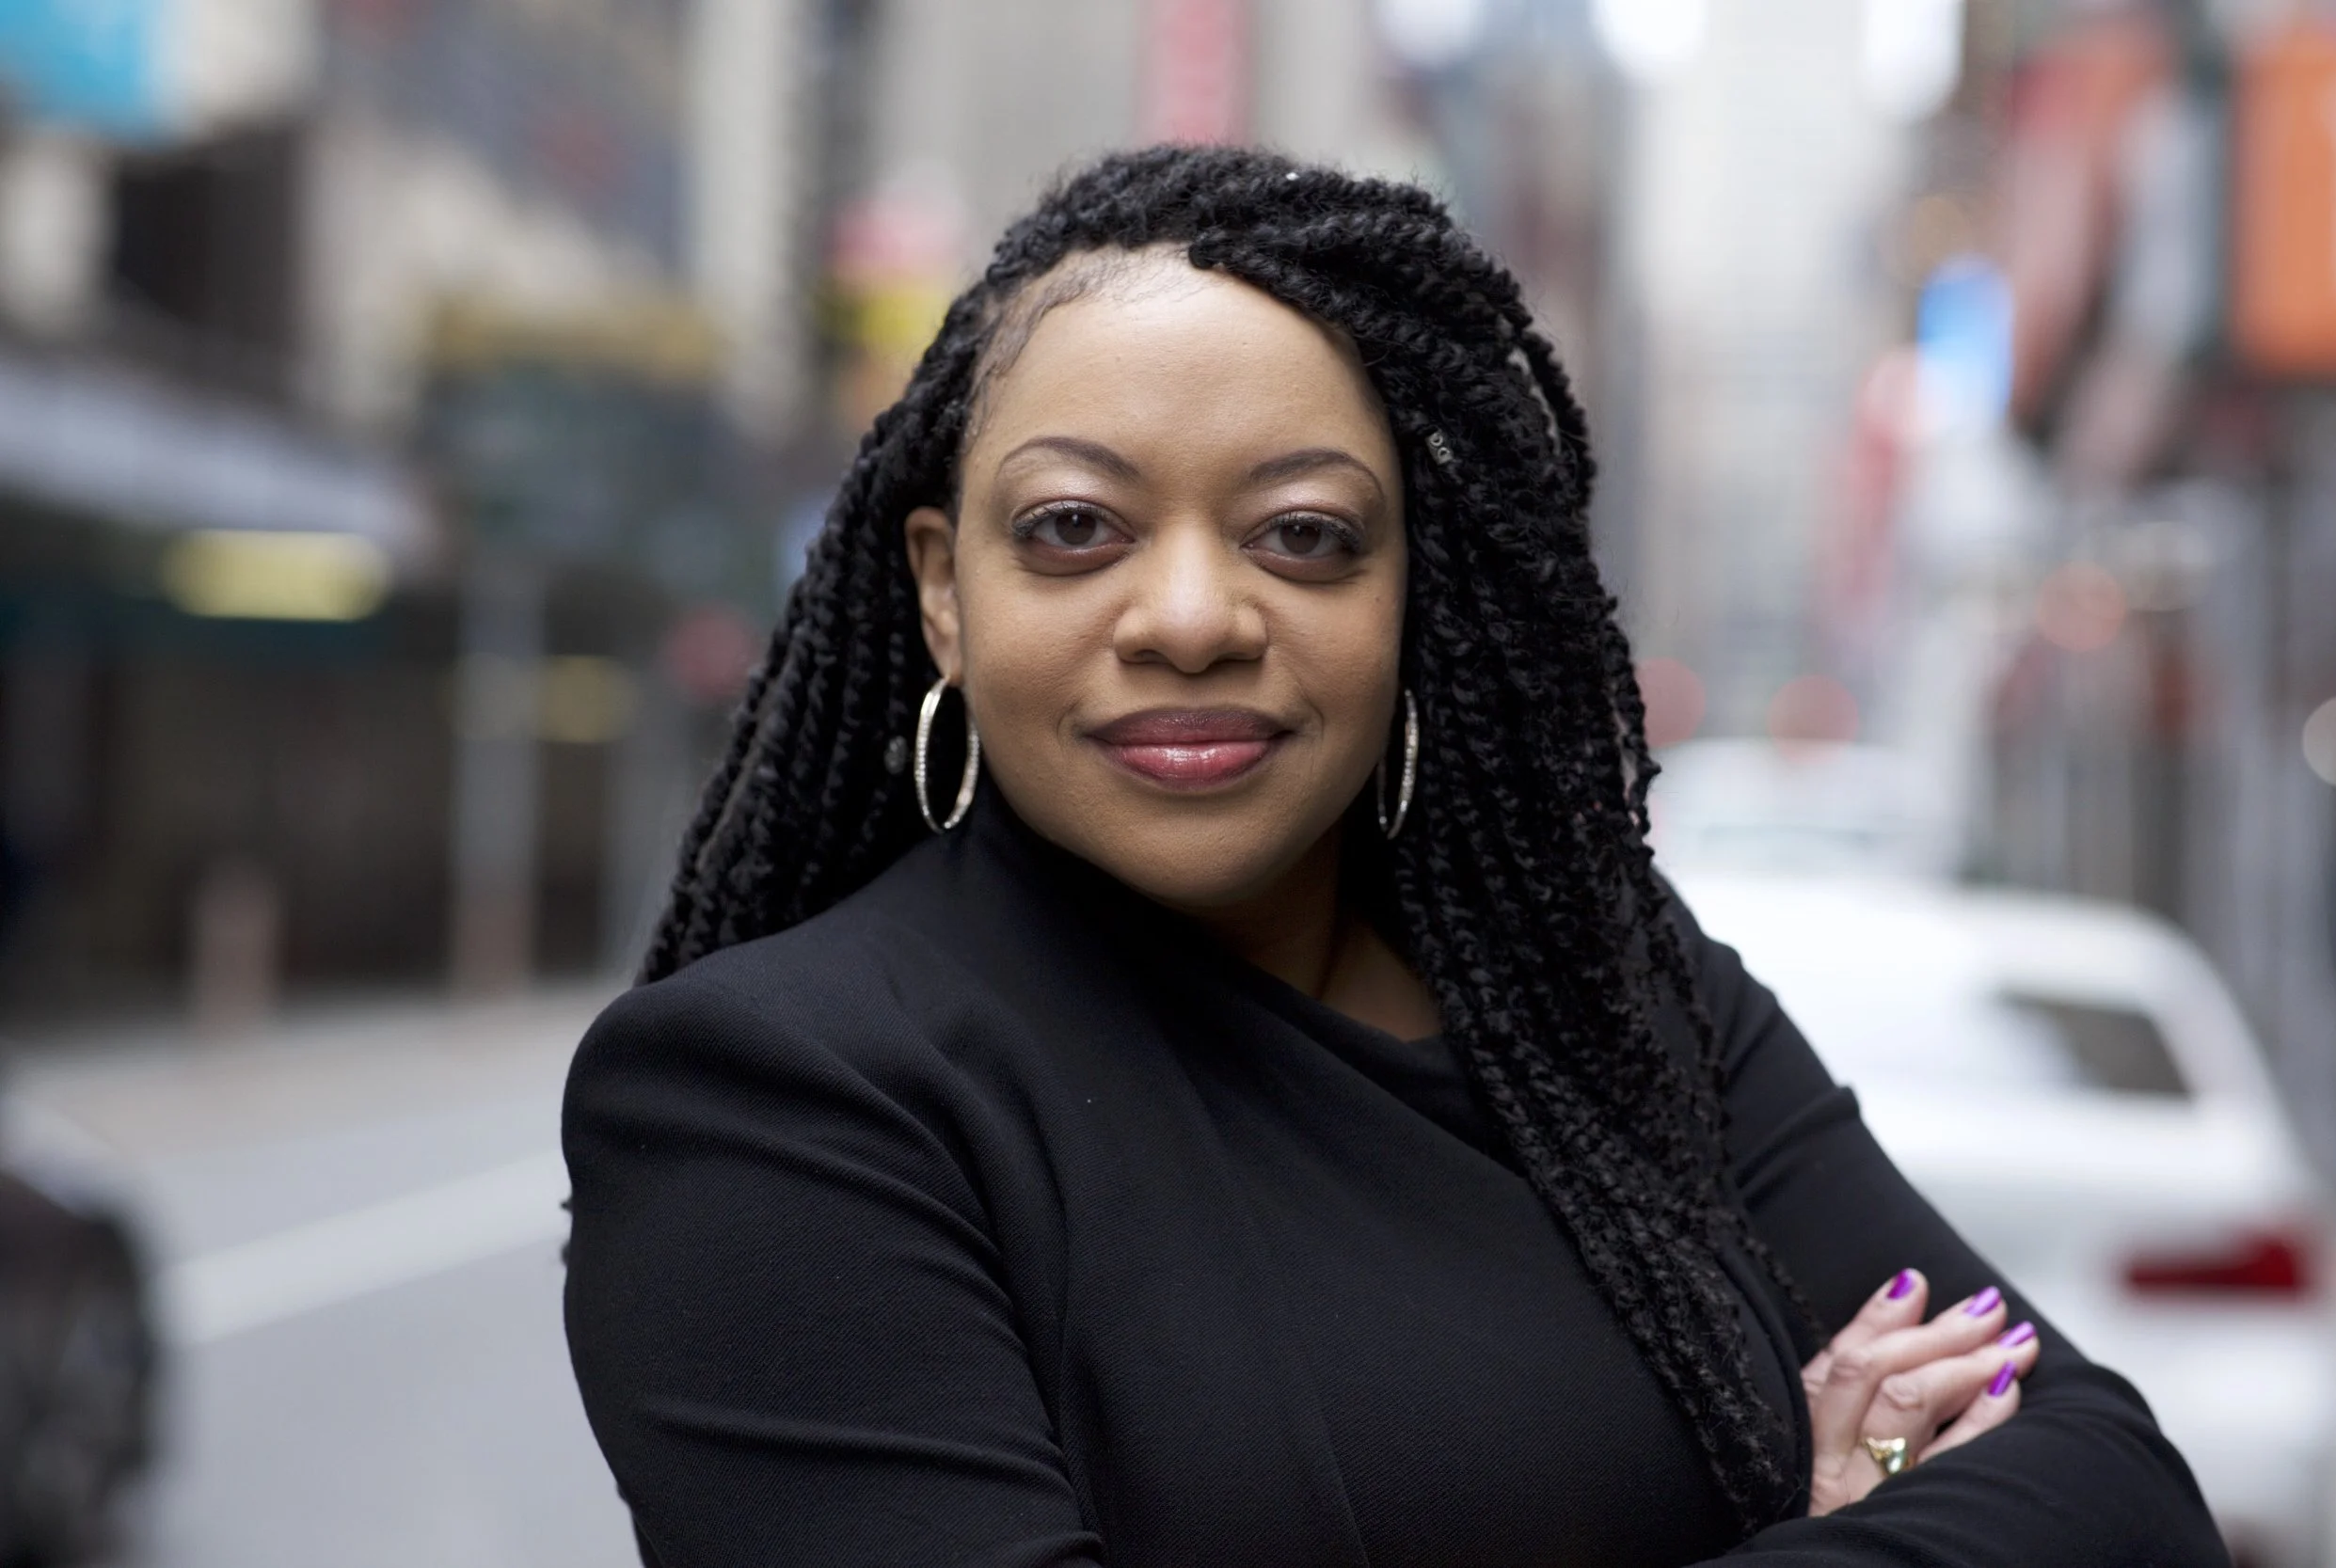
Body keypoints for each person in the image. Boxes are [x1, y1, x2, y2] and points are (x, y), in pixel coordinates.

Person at [562, 147, 2225, 1566]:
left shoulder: (1608, 991)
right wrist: (1795, 1523)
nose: (1195, 616)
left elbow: (2115, 1491)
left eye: (1305, 533)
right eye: (1077, 527)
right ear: (943, 585)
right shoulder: (768, 1099)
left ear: (1409, 588)